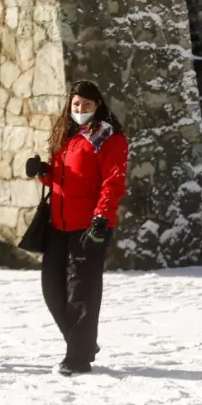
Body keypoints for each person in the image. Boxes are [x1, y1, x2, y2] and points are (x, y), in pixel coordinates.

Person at [25, 80, 129, 376]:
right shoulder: (68, 135)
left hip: (90, 226)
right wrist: (44, 172)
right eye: (76, 105)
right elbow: (63, 177)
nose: (80, 109)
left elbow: (113, 181)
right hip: (58, 225)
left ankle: (78, 357)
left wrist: (102, 216)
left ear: (98, 106)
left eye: (86, 104)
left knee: (81, 293)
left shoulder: (109, 138)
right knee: (52, 289)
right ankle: (83, 343)